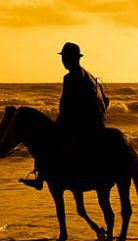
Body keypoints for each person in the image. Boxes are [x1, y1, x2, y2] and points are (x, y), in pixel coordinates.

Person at [20, 42, 109, 190]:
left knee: (47, 142)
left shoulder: (70, 77)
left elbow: (65, 106)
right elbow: (106, 101)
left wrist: (58, 124)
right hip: (98, 124)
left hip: (82, 125)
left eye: (64, 58)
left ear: (70, 58)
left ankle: (40, 178)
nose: (63, 61)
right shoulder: (92, 77)